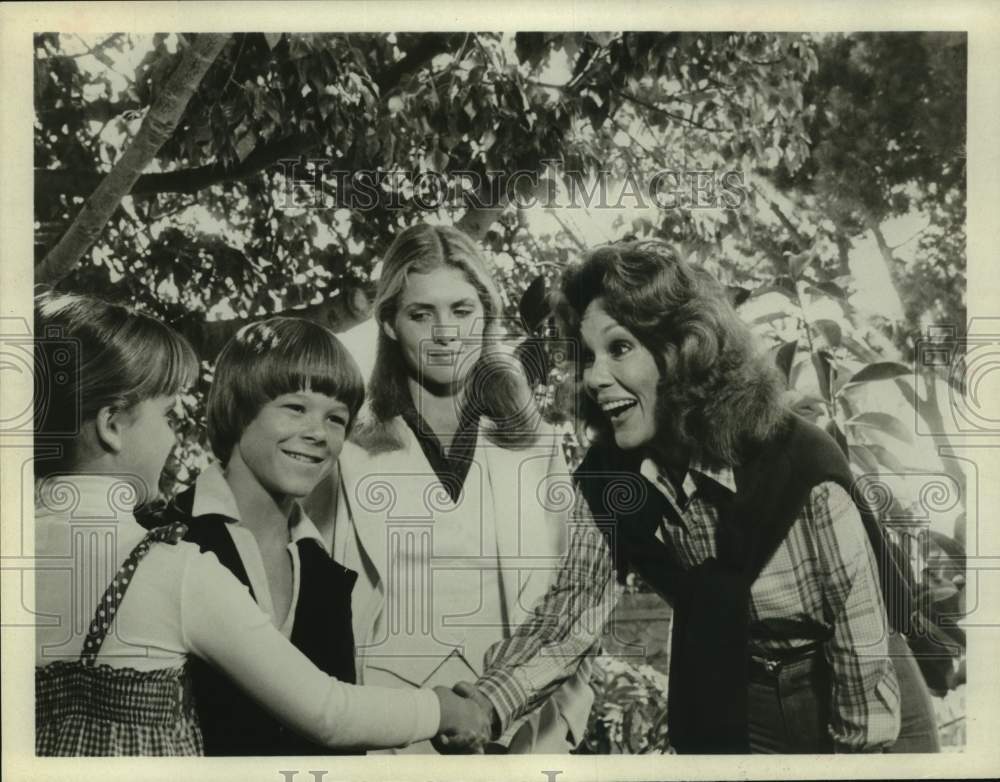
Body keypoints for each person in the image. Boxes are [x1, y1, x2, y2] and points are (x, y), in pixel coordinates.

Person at [440, 240, 940, 754]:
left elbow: (858, 650)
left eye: (619, 348)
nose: (593, 377)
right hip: (742, 688)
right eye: (587, 356)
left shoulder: (801, 465)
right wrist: (483, 704)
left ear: (684, 351)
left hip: (869, 690)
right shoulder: (611, 476)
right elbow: (571, 614)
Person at [33, 290, 485, 756]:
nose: (317, 432)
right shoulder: (164, 547)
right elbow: (331, 712)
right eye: (295, 407)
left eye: (336, 418)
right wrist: (441, 709)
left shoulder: (333, 574)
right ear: (237, 407)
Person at [304, 223, 594, 754]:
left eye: (462, 310)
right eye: (422, 314)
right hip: (391, 736)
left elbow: (574, 597)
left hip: (524, 739)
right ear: (389, 323)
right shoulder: (344, 452)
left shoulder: (537, 445)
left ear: (486, 314)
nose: (446, 333)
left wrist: (566, 722)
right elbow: (310, 603)